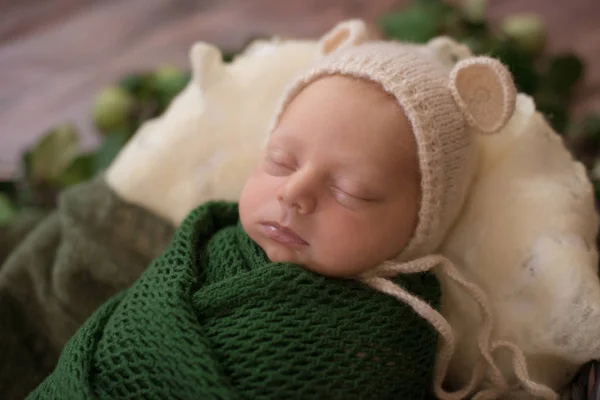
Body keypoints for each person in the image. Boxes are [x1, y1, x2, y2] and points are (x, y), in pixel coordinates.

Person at [26, 40, 560, 399]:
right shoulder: (209, 242)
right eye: (280, 162)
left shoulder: (387, 339)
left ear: (415, 228)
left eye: (352, 190)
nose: (295, 193)